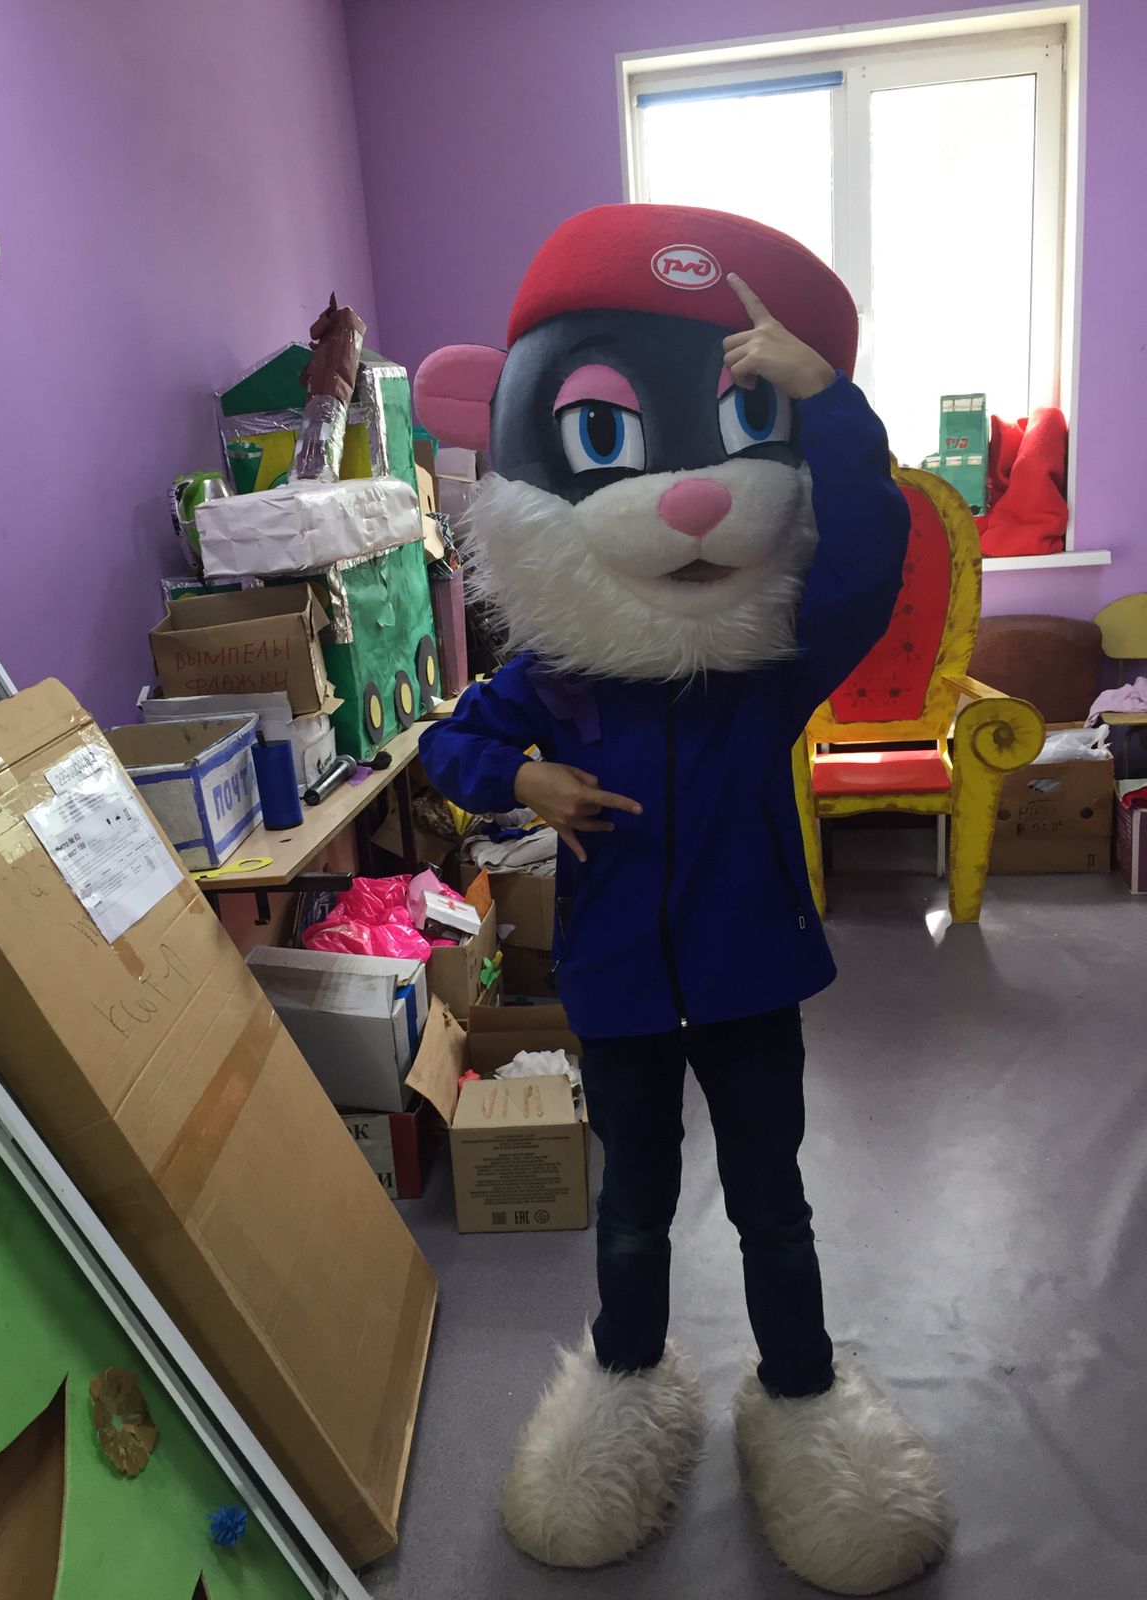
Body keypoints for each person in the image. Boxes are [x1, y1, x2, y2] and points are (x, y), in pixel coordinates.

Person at [415, 204, 953, 1593]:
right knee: (634, 1207)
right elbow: (450, 747)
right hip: (616, 985)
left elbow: (866, 561)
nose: (692, 503)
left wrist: (828, 403)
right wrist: (524, 778)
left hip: (749, 971)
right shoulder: (551, 678)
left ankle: (803, 1389)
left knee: (773, 1201)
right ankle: (627, 1380)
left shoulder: (765, 668)